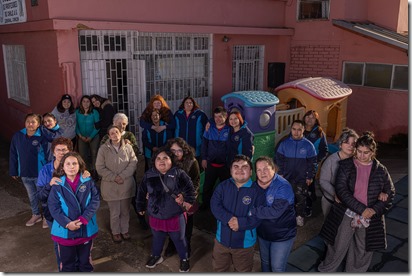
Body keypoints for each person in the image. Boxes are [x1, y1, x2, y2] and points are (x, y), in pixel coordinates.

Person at [318, 131, 395, 272]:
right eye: (359, 151)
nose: (361, 156)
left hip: (369, 217)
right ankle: (326, 270)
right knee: (337, 245)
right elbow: (342, 191)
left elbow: (390, 192)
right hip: (346, 213)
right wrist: (362, 209)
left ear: (372, 152)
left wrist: (374, 210)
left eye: (366, 153)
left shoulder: (381, 170)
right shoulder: (345, 165)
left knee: (363, 248)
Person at [135, 148, 195, 272]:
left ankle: (184, 259)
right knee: (157, 237)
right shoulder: (149, 174)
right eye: (158, 158)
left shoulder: (179, 173)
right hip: (155, 214)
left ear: (171, 160)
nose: (161, 161)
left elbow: (190, 189)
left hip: (175, 214)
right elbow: (141, 191)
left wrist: (186, 199)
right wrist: (140, 206)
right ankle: (156, 256)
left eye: (165, 158)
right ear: (154, 161)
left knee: (179, 239)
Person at [37, 137, 90, 271]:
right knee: (61, 247)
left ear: (70, 151)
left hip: (76, 215)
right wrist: (49, 185)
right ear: (53, 152)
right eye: (58, 150)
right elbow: (40, 196)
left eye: (64, 150)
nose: (61, 153)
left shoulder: (77, 169)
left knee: (80, 244)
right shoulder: (45, 170)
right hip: (54, 215)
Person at [48, 152, 100, 272]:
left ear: (80, 165)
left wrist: (84, 219)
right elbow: (54, 207)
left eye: (74, 163)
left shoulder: (88, 181)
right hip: (64, 232)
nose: (71, 167)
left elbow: (95, 201)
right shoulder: (57, 185)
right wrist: (67, 224)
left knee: (85, 262)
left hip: (85, 230)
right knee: (68, 265)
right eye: (68, 164)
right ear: (62, 167)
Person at [210, 154, 262, 272]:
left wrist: (241, 223)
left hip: (245, 245)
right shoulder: (223, 186)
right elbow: (215, 205)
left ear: (251, 171)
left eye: (244, 167)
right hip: (221, 242)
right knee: (219, 270)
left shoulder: (257, 191)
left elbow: (258, 215)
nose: (239, 170)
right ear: (230, 170)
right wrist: (229, 219)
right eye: (236, 166)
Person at [99, 112, 147, 230]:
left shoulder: (129, 135)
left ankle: (140, 219)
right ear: (114, 124)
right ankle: (116, 228)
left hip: (128, 174)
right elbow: (102, 154)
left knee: (132, 197)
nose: (121, 126)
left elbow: (136, 153)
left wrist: (130, 145)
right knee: (115, 204)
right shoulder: (107, 137)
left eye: (124, 124)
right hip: (111, 175)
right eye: (119, 123)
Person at [250, 156, 296, 272]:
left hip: (282, 236)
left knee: (277, 267)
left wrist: (252, 211)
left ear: (273, 169)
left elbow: (275, 212)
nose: (262, 173)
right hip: (263, 234)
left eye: (265, 168)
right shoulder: (254, 186)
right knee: (265, 262)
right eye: (259, 170)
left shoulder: (283, 186)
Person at [9, 113, 55, 227]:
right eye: (28, 121)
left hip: (41, 173)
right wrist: (13, 170)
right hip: (25, 173)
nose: (30, 124)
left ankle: (47, 217)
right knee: (32, 196)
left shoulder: (43, 136)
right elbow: (13, 154)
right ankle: (36, 214)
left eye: (33, 122)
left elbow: (49, 156)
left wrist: (50, 171)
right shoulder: (18, 136)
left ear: (38, 124)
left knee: (44, 196)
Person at [96, 125, 138, 243]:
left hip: (126, 183)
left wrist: (123, 176)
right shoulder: (103, 149)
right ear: (109, 136)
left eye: (117, 132)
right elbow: (100, 167)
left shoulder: (128, 147)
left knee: (125, 210)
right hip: (110, 185)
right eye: (112, 133)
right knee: (114, 212)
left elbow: (133, 162)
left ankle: (125, 230)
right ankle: (116, 232)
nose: (115, 135)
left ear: (121, 133)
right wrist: (114, 177)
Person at [163, 137, 201, 259]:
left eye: (179, 150)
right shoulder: (166, 161)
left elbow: (196, 182)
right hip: (171, 199)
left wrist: (185, 197)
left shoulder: (192, 162)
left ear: (184, 150)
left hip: (187, 199)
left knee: (187, 224)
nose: (176, 153)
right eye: (173, 151)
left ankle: (186, 245)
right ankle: (172, 245)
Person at [275, 119, 317, 227]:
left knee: (301, 197)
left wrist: (309, 176)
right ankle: (286, 216)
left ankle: (299, 216)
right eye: (294, 129)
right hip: (286, 177)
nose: (296, 132)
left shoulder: (308, 145)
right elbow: (278, 160)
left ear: (303, 130)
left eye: (299, 130)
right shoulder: (284, 144)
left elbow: (312, 162)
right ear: (291, 129)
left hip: (301, 178)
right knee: (285, 197)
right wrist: (280, 173)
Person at [319, 128, 359, 217]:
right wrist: (336, 194)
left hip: (350, 203)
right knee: (330, 228)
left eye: (353, 144)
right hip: (331, 201)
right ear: (340, 144)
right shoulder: (330, 160)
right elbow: (323, 181)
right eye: (347, 142)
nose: (350, 146)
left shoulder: (358, 161)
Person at [200, 106, 230, 209]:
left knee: (226, 187)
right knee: (207, 186)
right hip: (211, 164)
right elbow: (204, 144)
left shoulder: (229, 130)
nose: (217, 119)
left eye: (220, 117)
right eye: (215, 117)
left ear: (225, 117)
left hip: (225, 165)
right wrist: (204, 158)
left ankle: (226, 205)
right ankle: (205, 205)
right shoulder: (209, 128)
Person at [303, 110, 329, 218]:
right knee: (300, 185)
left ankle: (308, 206)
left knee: (308, 185)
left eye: (312, 117)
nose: (309, 119)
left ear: (316, 120)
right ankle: (309, 198)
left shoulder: (319, 133)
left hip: (311, 165)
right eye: (307, 117)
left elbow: (325, 150)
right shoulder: (299, 129)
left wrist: (316, 160)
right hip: (298, 164)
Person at [174, 96, 208, 165]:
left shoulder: (200, 114)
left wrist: (201, 141)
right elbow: (172, 127)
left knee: (194, 166)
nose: (188, 104)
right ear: (183, 104)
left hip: (196, 146)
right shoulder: (178, 114)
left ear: (193, 104)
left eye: (190, 103)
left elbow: (207, 126)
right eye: (186, 102)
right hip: (181, 146)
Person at [75, 95, 100, 180]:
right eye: (84, 101)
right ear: (81, 103)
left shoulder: (94, 112)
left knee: (94, 153)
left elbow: (97, 126)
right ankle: (85, 171)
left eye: (88, 101)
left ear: (90, 103)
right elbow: (76, 125)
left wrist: (91, 136)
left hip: (93, 136)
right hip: (81, 136)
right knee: (82, 155)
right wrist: (80, 135)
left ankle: (94, 171)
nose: (85, 103)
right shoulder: (77, 112)